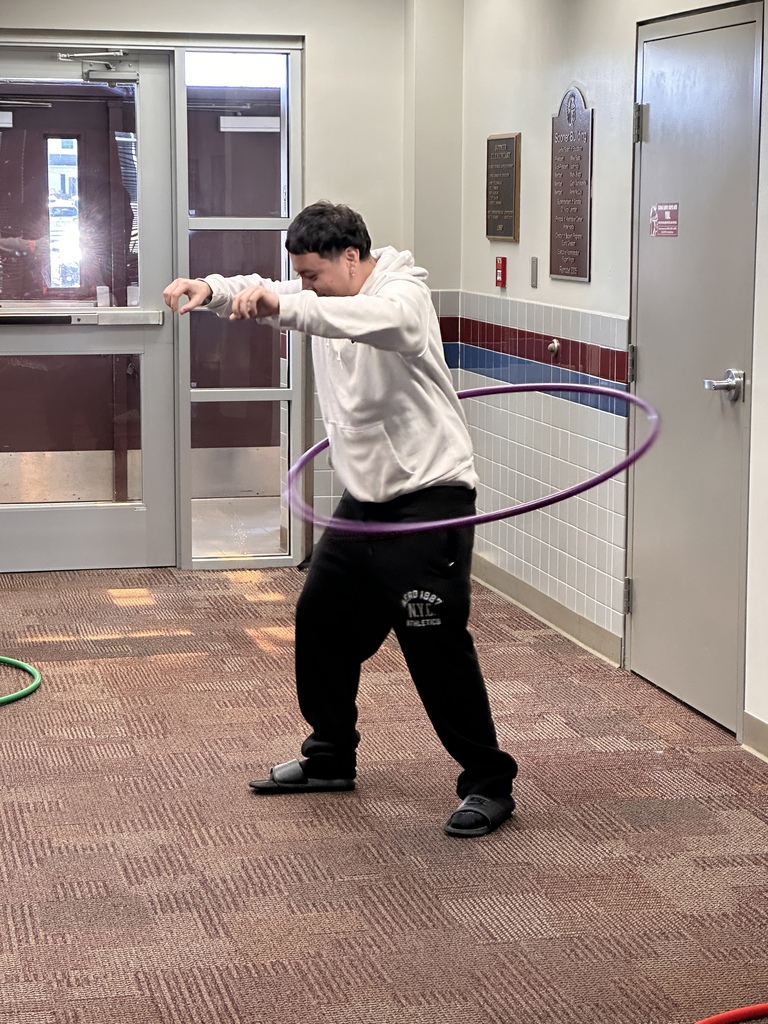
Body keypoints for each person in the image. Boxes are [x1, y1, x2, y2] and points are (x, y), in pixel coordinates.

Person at [163, 201, 518, 837]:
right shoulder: (321, 292)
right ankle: (329, 756)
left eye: (314, 276)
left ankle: (489, 780)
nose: (304, 288)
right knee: (320, 620)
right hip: (364, 505)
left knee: (432, 641)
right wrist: (212, 289)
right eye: (297, 277)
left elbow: (372, 322)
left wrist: (285, 306)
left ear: (352, 259)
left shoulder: (402, 295)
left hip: (429, 497)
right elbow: (265, 291)